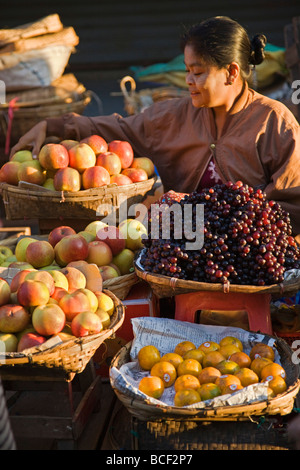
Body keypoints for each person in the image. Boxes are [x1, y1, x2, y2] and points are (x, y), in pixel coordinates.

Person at [10, 16, 300, 242]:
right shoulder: (173, 115)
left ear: (232, 72)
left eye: (197, 73)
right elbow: (118, 129)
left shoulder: (274, 123)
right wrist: (53, 125)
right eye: (186, 70)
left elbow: (292, 209)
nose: (188, 80)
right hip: (183, 250)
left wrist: (214, 215)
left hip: (247, 256)